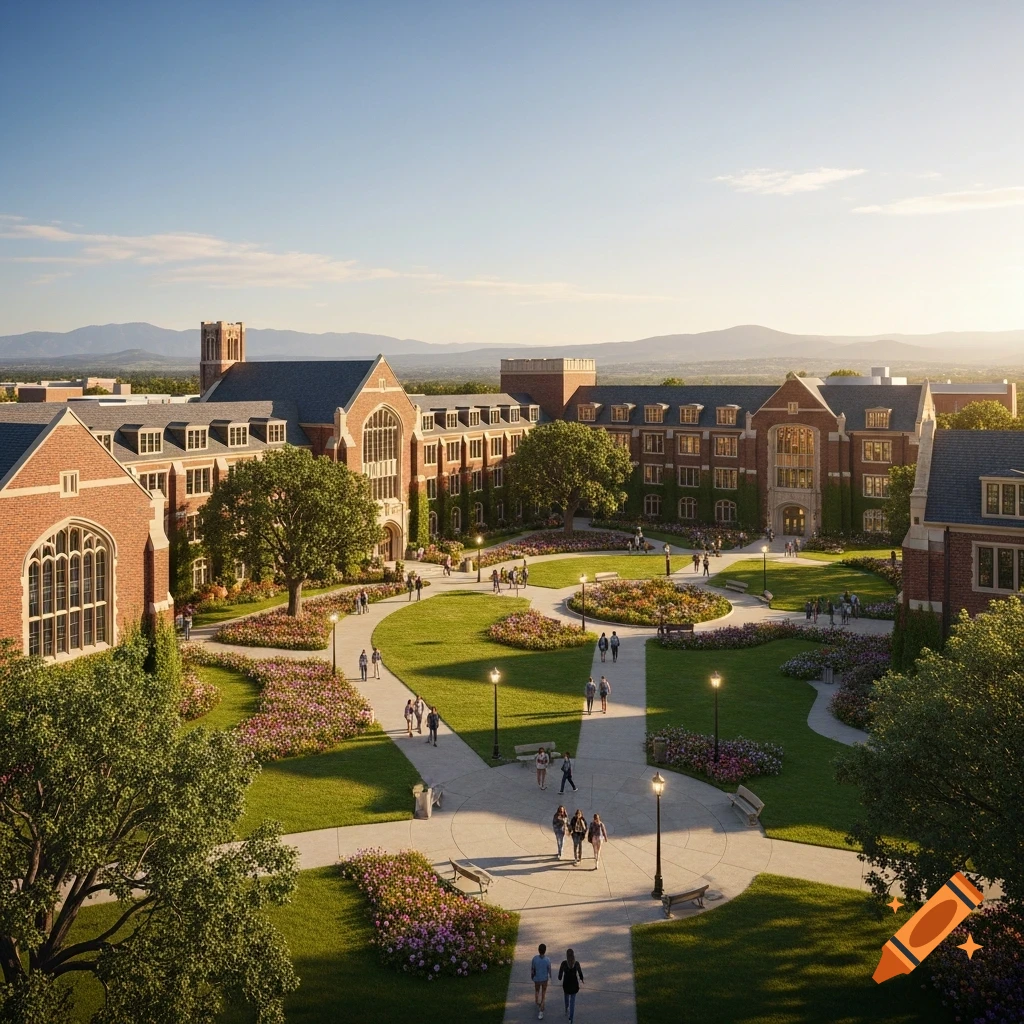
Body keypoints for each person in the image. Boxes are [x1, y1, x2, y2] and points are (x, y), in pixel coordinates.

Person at [558, 950, 584, 1023]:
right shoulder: (576, 964)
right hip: (574, 985)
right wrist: (581, 979)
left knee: (566, 996)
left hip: (566, 985)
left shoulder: (564, 963)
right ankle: (571, 1019)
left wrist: (560, 977)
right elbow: (580, 973)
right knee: (572, 1001)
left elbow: (559, 976)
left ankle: (566, 1008)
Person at [531, 943, 552, 1020]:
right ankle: (541, 1008)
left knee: (537, 990)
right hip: (544, 979)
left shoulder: (535, 959)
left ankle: (537, 1001)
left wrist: (532, 976)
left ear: (538, 950)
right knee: (543, 993)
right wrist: (550, 976)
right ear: (545, 951)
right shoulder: (547, 960)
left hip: (537, 978)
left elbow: (532, 969)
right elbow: (549, 970)